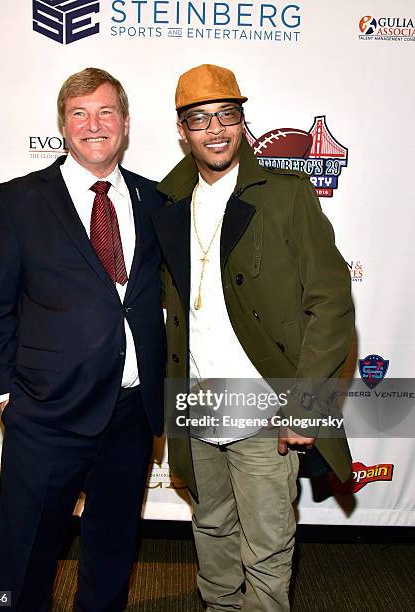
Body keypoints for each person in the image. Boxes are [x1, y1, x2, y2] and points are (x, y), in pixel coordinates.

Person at [151, 64, 355, 611]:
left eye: (227, 116)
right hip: (198, 398)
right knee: (212, 529)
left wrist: (306, 406)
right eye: (200, 120)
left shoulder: (286, 194)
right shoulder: (165, 201)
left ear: (243, 123)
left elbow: (331, 303)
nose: (216, 130)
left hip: (266, 404)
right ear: (182, 130)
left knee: (267, 548)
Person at [0, 67, 165, 611]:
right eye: (79, 114)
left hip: (131, 413)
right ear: (63, 126)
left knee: (112, 551)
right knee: (23, 556)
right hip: (47, 413)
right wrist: (9, 396)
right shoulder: (18, 201)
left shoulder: (157, 202)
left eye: (105, 112)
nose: (93, 124)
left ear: (125, 123)